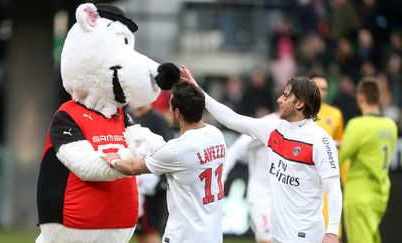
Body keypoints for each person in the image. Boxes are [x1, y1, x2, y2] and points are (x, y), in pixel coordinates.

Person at [181, 65, 342, 243]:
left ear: (300, 103)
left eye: (286, 95)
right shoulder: (273, 129)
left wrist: (332, 231)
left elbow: (333, 188)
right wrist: (199, 91)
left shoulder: (321, 141)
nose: (279, 100)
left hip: (306, 236)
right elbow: (232, 119)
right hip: (279, 234)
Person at [102, 82, 227, 243]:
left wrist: (114, 160)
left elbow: (133, 168)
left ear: (177, 112)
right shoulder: (216, 134)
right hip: (213, 234)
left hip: (184, 235)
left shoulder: (177, 150)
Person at [338, 78, 398, 243]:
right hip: (380, 193)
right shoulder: (390, 125)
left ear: (360, 98)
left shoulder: (357, 125)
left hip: (359, 192)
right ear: (379, 98)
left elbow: (338, 159)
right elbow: (370, 148)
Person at [223, 112, 279, 243]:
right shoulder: (264, 125)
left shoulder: (298, 126)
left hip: (284, 196)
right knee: (267, 239)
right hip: (262, 195)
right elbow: (235, 150)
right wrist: (220, 179)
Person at [129, 104, 173, 243]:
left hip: (151, 185)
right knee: (138, 233)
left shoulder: (157, 120)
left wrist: (160, 182)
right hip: (133, 181)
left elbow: (167, 150)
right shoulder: (126, 115)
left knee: (149, 232)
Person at [309, 74, 345, 230]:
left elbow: (341, 145)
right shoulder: (297, 110)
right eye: (317, 87)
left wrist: (344, 177)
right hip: (304, 176)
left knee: (330, 229)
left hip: (326, 177)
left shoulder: (335, 114)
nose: (320, 91)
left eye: (324, 89)